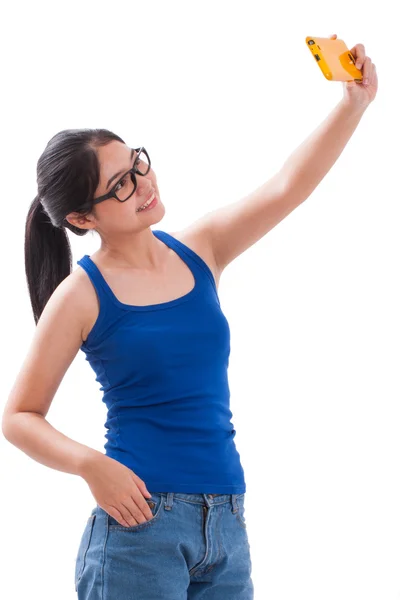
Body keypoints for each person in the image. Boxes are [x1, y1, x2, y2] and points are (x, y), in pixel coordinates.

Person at [2, 35, 377, 600]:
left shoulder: (201, 248)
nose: (143, 184)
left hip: (226, 523)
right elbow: (19, 416)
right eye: (120, 185)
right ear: (82, 217)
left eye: (137, 164)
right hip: (138, 529)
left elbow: (286, 186)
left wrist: (352, 104)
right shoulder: (82, 294)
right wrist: (90, 466)